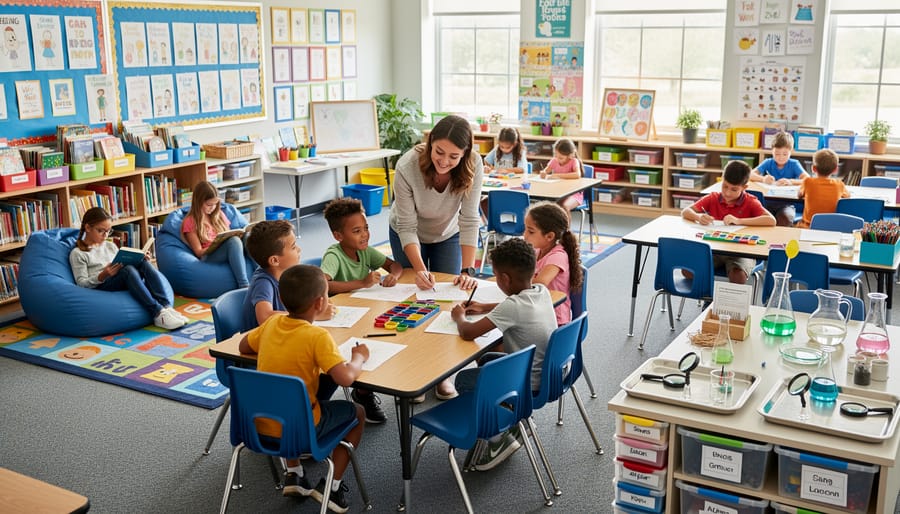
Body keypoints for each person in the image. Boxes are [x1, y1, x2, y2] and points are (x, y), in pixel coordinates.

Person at [238, 265, 368, 513]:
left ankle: (295, 474)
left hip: (257, 425)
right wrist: (359, 357)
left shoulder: (271, 324)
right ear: (320, 303)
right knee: (358, 413)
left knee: (290, 397)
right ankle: (332, 487)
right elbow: (345, 378)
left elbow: (244, 346)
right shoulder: (317, 337)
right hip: (300, 431)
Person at [388, 114, 481, 400]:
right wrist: (418, 269)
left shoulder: (474, 164)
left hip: (448, 234)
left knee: (449, 301)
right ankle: (414, 374)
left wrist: (467, 269)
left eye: (454, 156)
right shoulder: (407, 165)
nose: (444, 161)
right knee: (413, 300)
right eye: (439, 152)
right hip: (407, 233)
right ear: (429, 144)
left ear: (465, 153)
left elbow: (469, 218)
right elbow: (407, 226)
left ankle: (445, 374)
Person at [450, 238, 557, 471]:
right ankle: (515, 418)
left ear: (504, 279)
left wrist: (459, 315)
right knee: (487, 359)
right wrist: (487, 307)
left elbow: (468, 332)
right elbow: (514, 304)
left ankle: (499, 436)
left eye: (497, 276)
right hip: (542, 375)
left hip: (526, 384)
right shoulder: (541, 291)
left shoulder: (513, 307)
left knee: (464, 380)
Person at [321, 197, 404, 424]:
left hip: (362, 313)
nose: (365, 235)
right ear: (339, 236)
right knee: (361, 348)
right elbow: (323, 284)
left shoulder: (366, 251)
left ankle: (363, 392)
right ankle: (362, 393)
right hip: (337, 320)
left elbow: (395, 265)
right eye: (357, 231)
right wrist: (361, 283)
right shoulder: (334, 255)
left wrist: (393, 276)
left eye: (366, 228)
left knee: (385, 338)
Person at [69, 207, 186, 330]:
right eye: (101, 231)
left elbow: (121, 262)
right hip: (101, 285)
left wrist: (139, 257)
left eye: (108, 231)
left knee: (143, 263)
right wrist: (102, 275)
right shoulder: (78, 253)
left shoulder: (110, 245)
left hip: (119, 278)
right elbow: (81, 283)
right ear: (88, 228)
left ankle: (166, 307)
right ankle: (157, 313)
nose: (105, 235)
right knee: (127, 271)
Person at [682, 160, 776, 284]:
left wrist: (739, 221)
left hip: (741, 251)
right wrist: (698, 217)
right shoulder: (713, 197)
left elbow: (771, 220)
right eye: (725, 186)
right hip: (715, 248)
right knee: (687, 270)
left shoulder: (750, 202)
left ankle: (728, 302)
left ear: (744, 188)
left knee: (738, 276)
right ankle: (708, 300)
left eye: (734, 189)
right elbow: (686, 211)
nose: (727, 193)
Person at [243, 219, 335, 330]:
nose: (299, 249)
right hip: (262, 341)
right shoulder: (263, 282)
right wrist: (313, 315)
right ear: (275, 260)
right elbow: (264, 316)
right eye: (293, 247)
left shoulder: (288, 274)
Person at [523, 202, 583, 326]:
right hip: (536, 309)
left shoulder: (557, 256)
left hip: (554, 319)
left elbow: (540, 284)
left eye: (531, 231)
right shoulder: (537, 250)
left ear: (549, 236)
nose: (525, 235)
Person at [181, 181, 249, 288]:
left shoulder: (219, 215)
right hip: (209, 255)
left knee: (248, 236)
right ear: (198, 202)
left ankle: (263, 273)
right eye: (209, 204)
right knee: (233, 241)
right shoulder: (190, 222)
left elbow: (228, 234)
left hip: (225, 249)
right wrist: (215, 244)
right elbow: (199, 252)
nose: (212, 207)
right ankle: (244, 285)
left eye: (215, 204)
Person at [749, 131, 809, 226]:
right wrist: (763, 179)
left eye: (785, 154)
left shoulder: (794, 164)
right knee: (758, 216)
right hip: (767, 202)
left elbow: (807, 180)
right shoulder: (768, 162)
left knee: (785, 218)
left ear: (791, 151)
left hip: (787, 204)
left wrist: (791, 181)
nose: (780, 158)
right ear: (772, 150)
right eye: (777, 154)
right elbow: (750, 175)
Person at [797, 148, 849, 228]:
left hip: (809, 226)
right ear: (835, 170)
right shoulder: (839, 184)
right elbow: (847, 197)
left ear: (813, 168)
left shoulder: (807, 182)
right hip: (830, 226)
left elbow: (799, 195)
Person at [540, 138, 583, 213]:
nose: (557, 159)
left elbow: (577, 175)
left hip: (573, 194)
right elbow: (546, 171)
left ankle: (565, 225)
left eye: (561, 158)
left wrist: (557, 175)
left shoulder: (573, 161)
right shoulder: (554, 160)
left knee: (564, 207)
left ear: (570, 155)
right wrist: (543, 173)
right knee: (547, 207)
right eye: (556, 155)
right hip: (558, 193)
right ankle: (554, 225)